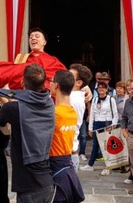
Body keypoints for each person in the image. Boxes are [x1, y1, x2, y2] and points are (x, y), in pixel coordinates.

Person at [0, 63, 55, 203]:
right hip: (46, 182)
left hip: (29, 186)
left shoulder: (14, 109)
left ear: (22, 81)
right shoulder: (48, 102)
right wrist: (0, 91)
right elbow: (14, 109)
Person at [49, 70, 85, 202]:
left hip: (56, 164)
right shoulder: (71, 110)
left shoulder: (55, 113)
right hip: (67, 160)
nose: (49, 84)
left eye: (51, 81)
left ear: (56, 86)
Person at [79, 81, 118, 175]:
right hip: (97, 123)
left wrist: (113, 125)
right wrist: (90, 128)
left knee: (107, 146)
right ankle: (90, 165)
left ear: (106, 89)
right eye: (99, 88)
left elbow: (115, 114)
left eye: (103, 88)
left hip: (107, 124)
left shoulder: (111, 99)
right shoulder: (95, 99)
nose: (101, 89)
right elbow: (92, 114)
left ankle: (108, 166)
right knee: (95, 145)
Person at [68, 63, 93, 170]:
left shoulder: (74, 99)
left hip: (68, 149)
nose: (65, 77)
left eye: (69, 76)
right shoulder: (73, 94)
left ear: (78, 82)